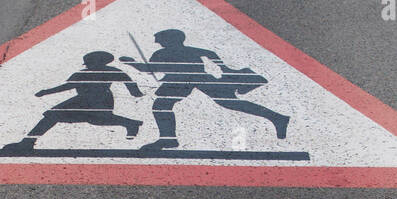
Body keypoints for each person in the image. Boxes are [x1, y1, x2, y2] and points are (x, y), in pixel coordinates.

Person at [120, 29, 289, 150]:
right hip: (197, 79)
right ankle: (277, 117)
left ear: (169, 40)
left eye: (159, 39)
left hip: (182, 81)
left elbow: (147, 69)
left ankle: (168, 139)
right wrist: (224, 68)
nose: (158, 42)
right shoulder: (190, 50)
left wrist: (130, 62)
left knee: (162, 106)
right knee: (229, 103)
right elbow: (210, 53)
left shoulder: (161, 53)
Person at [0, 51, 144, 153]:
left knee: (97, 120)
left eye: (92, 61)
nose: (89, 64)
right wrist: (46, 92)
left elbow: (128, 82)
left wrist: (136, 93)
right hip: (83, 100)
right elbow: (67, 86)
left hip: (99, 101)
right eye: (88, 63)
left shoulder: (111, 71)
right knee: (53, 116)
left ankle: (130, 123)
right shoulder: (83, 73)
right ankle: (27, 142)